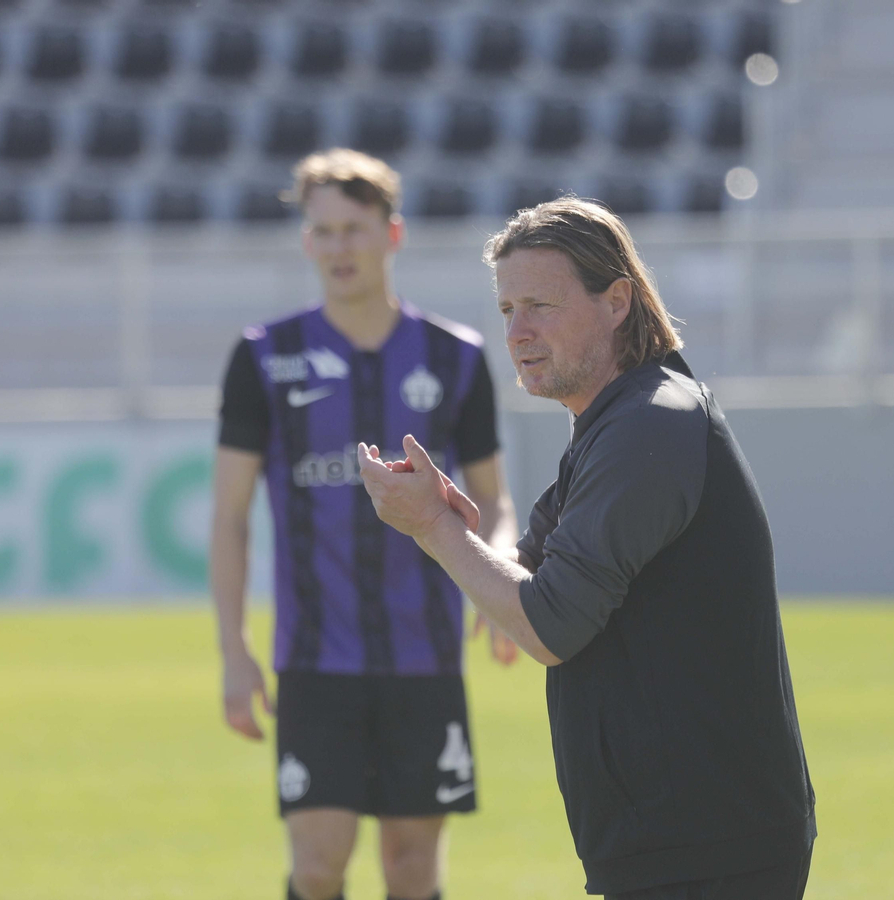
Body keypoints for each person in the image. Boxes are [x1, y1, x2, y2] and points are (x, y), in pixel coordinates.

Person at [356, 198, 816, 899]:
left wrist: (434, 529)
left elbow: (548, 626)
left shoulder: (649, 423)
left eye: (540, 305)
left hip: (707, 840)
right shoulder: (618, 421)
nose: (518, 331)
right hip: (680, 834)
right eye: (507, 309)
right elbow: (527, 587)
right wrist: (452, 527)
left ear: (617, 302)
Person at [208, 148, 519, 900]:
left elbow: (496, 500)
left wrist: (502, 577)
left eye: (354, 228)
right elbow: (229, 516)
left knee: (412, 870)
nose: (339, 247)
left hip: (425, 654)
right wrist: (234, 653)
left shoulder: (455, 356)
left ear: (392, 233)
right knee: (319, 866)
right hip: (315, 658)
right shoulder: (265, 357)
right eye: (323, 232)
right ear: (306, 242)